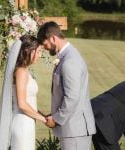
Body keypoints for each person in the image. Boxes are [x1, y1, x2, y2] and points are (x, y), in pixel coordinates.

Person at [37, 21, 96, 150]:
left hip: (75, 130)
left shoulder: (70, 61)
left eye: (45, 44)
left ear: (53, 38)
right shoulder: (68, 56)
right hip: (72, 129)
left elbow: (72, 97)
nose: (45, 48)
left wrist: (56, 119)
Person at [0, 35, 46, 150]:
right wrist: (44, 119)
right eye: (38, 51)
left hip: (27, 121)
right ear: (29, 51)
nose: (40, 55)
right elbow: (22, 104)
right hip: (22, 123)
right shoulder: (21, 71)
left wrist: (42, 114)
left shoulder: (24, 70)